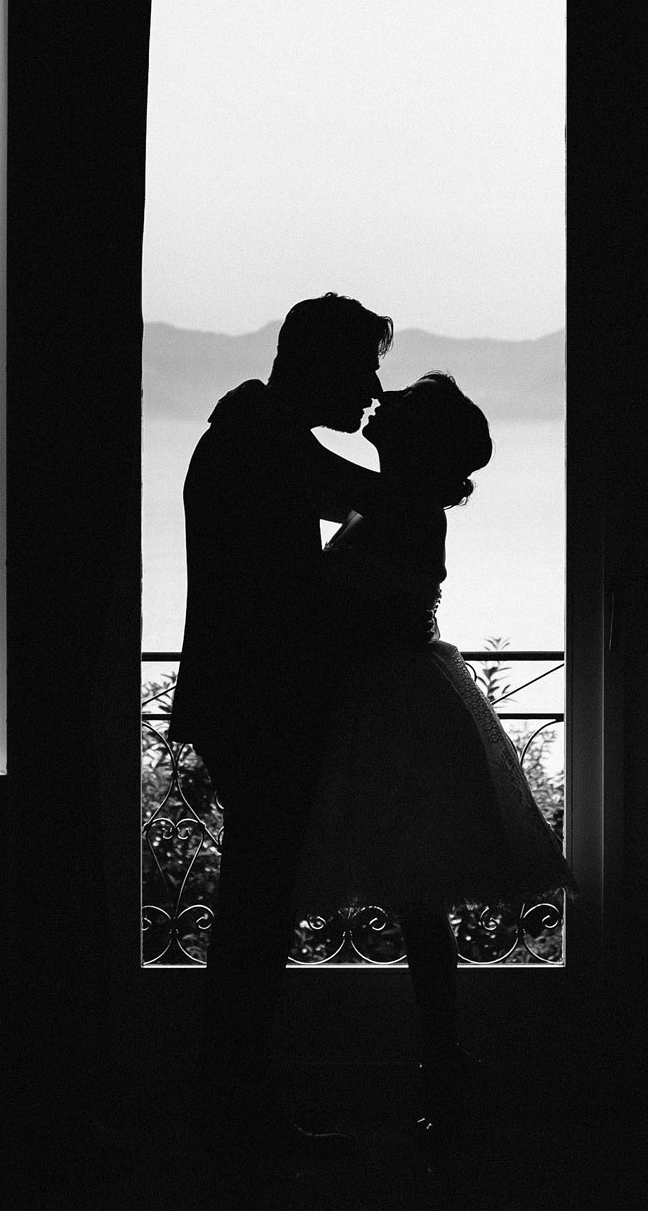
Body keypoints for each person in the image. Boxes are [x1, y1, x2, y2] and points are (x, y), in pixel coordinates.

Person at [291, 372, 576, 1145]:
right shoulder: (396, 499)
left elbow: (322, 502)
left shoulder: (403, 504)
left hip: (394, 708)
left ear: (416, 442)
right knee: (417, 902)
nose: (382, 399)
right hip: (398, 698)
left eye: (403, 403)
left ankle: (441, 1064)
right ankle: (442, 1064)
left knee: (417, 898)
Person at [170, 293, 389, 1164]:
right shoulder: (264, 437)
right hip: (256, 706)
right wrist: (406, 454)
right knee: (256, 913)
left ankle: (233, 1101)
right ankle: (236, 1109)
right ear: (321, 365)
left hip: (241, 702)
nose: (373, 387)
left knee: (255, 907)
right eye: (363, 368)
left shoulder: (255, 429)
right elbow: (366, 498)